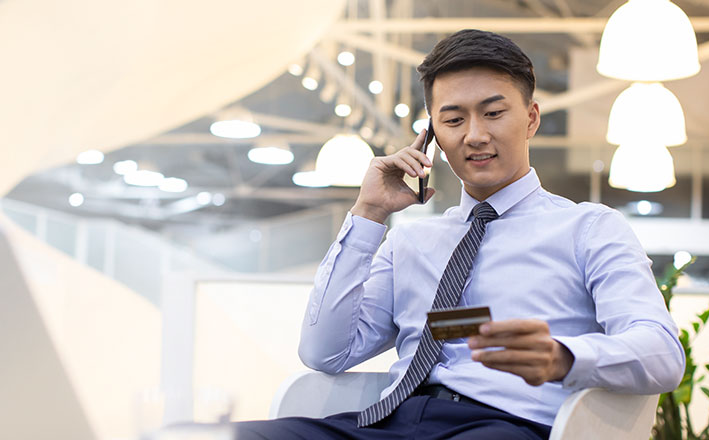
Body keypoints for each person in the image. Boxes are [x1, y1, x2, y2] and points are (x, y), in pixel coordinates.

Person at [235, 29, 685, 440]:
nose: (474, 135)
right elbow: (325, 353)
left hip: (506, 424)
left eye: (493, 113)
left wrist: (564, 357)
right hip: (393, 421)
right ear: (431, 135)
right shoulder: (410, 242)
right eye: (453, 121)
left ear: (530, 118)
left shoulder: (589, 229)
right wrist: (369, 213)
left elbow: (662, 354)